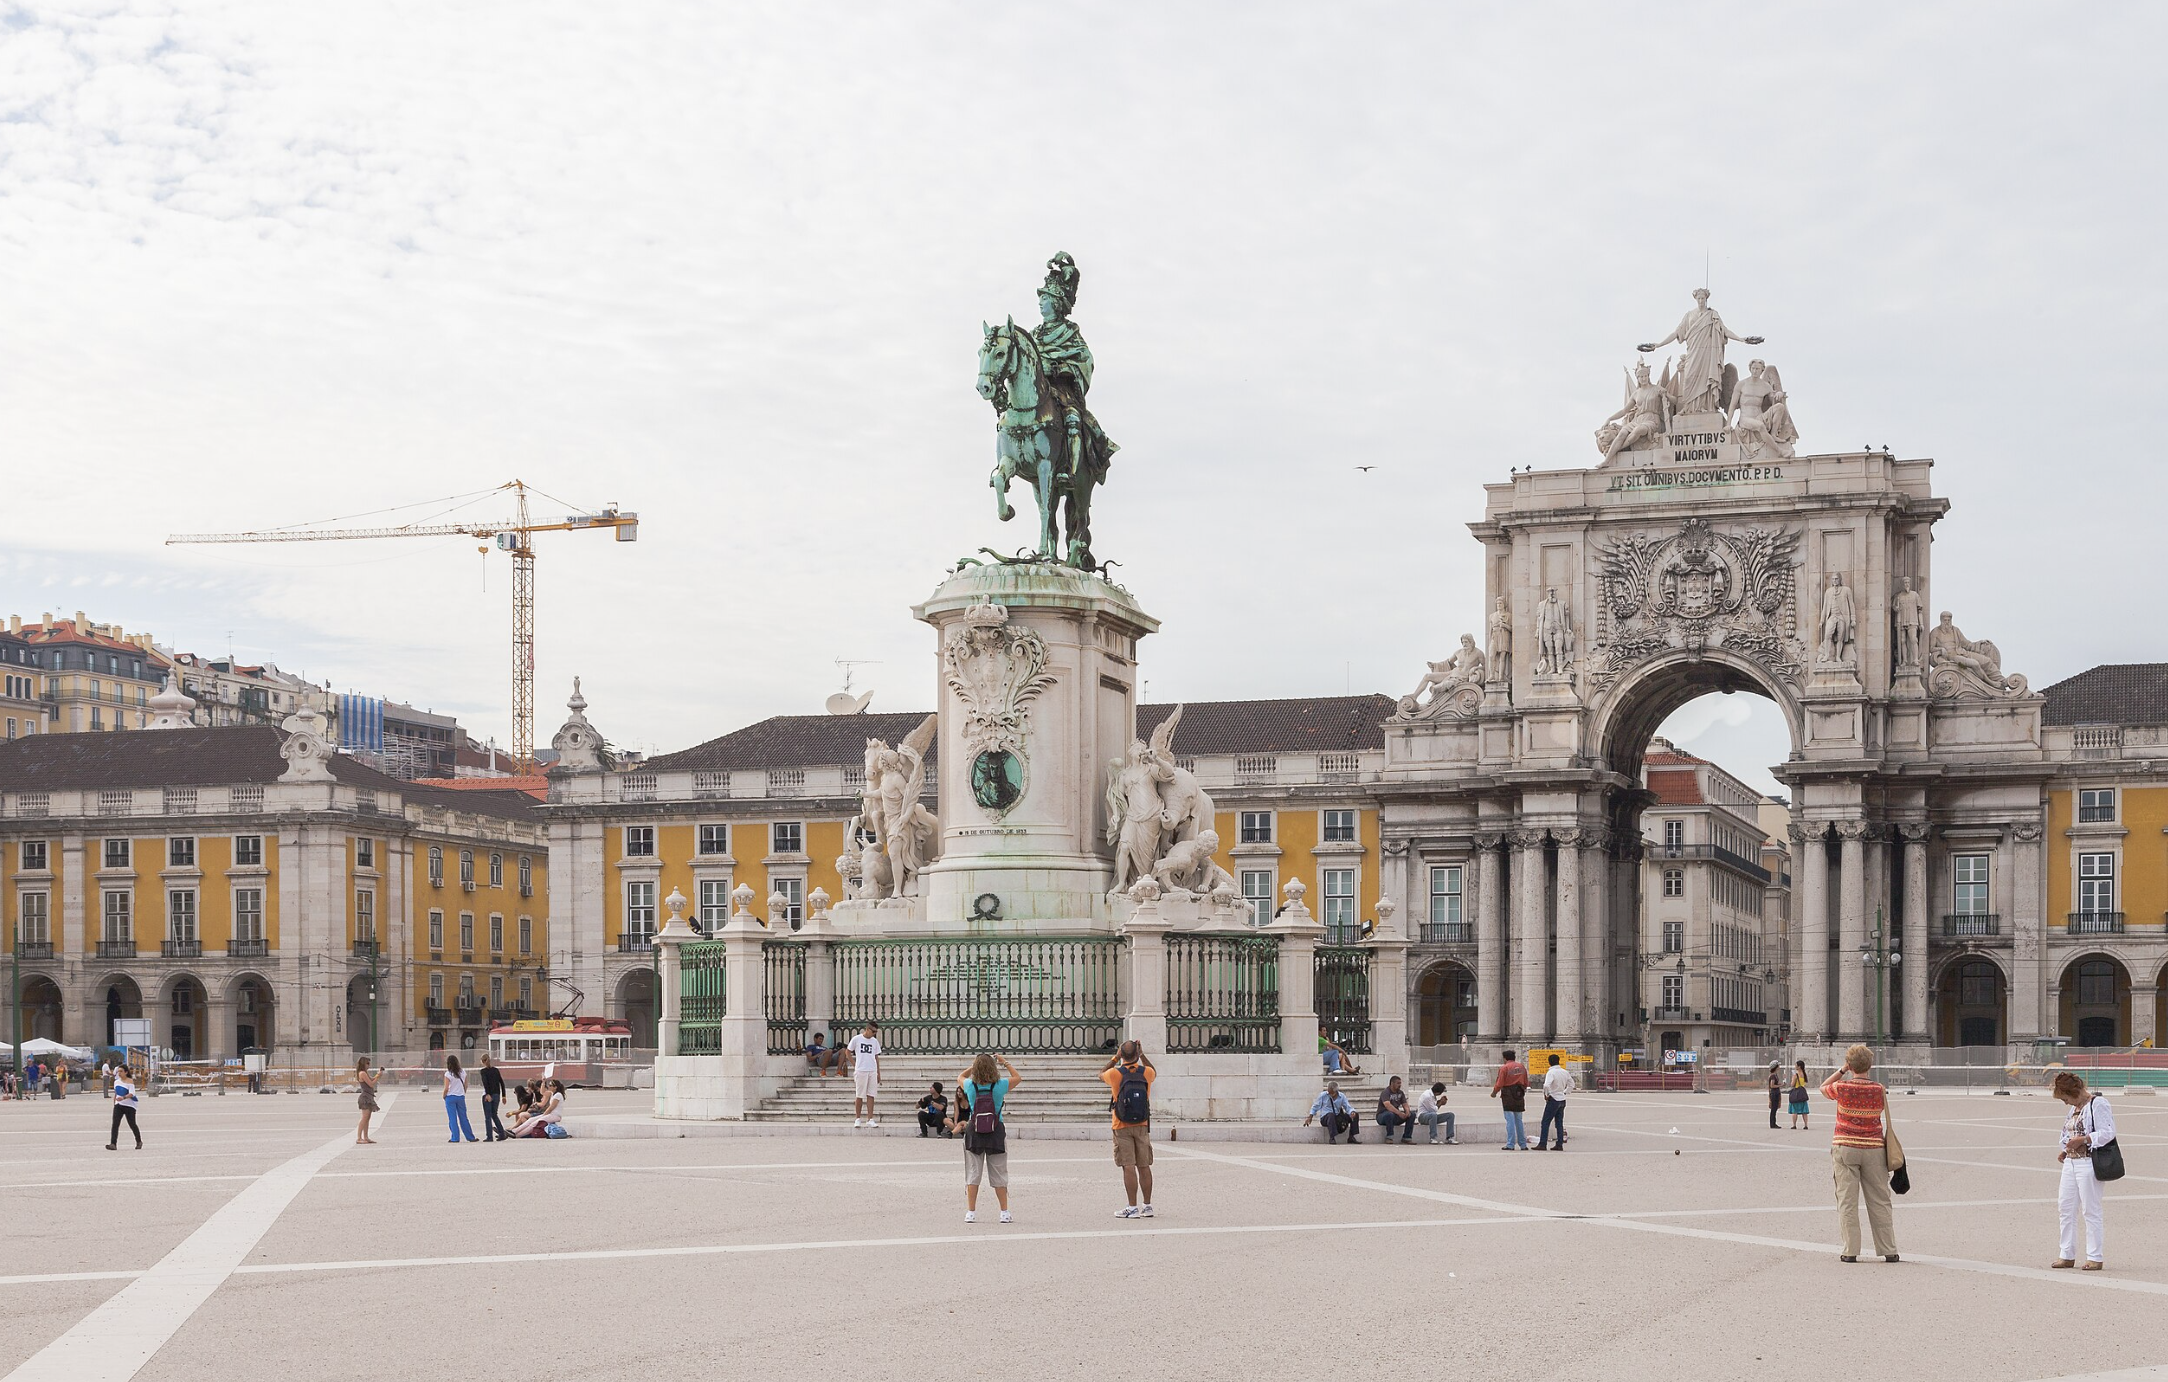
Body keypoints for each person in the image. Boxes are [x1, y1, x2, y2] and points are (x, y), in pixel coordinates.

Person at [1821, 1044, 1898, 1263]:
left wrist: (1843, 1070)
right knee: (1880, 1200)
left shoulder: (1842, 1088)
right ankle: (1889, 1249)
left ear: (1850, 1064)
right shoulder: (1878, 1089)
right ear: (1870, 1065)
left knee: (1847, 1200)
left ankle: (1850, 1250)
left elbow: (1822, 1087)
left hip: (1846, 1146)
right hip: (1874, 1148)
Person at [2051, 1071, 2115, 1271]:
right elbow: (2068, 1132)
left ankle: (2095, 1256)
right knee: (2065, 1208)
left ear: (2074, 1091)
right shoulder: (2075, 1108)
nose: (2065, 1102)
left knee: (2091, 1209)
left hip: (2089, 1162)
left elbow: (2108, 1132)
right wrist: (2065, 1149)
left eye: (2065, 1098)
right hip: (2071, 1162)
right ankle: (2066, 1254)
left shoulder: (2098, 1104)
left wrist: (2084, 1139)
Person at [957, 1053, 1020, 1224]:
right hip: (995, 1130)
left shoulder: (970, 1085)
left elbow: (960, 1077)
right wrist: (1003, 1062)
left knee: (973, 1172)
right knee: (999, 1171)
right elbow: (1017, 1077)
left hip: (974, 1130)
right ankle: (1004, 1212)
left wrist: (973, 1065)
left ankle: (971, 1212)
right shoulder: (1000, 1086)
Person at [1101, 1041, 1157, 1218]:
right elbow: (1154, 1070)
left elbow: (1100, 1073)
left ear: (1122, 1055)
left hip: (1121, 1124)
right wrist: (1142, 1055)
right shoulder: (1146, 1073)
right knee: (1144, 1165)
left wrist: (1115, 1057)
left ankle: (1132, 1207)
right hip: (1141, 1124)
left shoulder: (1115, 1073)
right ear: (1136, 1053)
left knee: (1128, 1166)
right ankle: (1147, 1206)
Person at [1491, 1050, 1530, 1150]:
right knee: (1519, 1120)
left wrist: (1494, 1092)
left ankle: (1510, 1144)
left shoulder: (1504, 1068)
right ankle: (1523, 1144)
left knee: (1510, 1120)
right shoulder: (1521, 1067)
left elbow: (1499, 1083)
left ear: (1505, 1058)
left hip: (1508, 1093)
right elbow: (1526, 1082)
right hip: (1519, 1093)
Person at [849, 1022, 882, 1128]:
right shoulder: (857, 1039)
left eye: (876, 1032)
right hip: (861, 1070)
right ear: (867, 1029)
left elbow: (876, 1057)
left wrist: (878, 1073)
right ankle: (857, 1118)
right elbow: (848, 1052)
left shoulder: (874, 1041)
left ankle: (870, 1118)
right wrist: (855, 1065)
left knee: (871, 1095)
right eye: (873, 1031)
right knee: (859, 1094)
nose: (874, 1033)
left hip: (871, 1069)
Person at [1536, 1054, 1573, 1150]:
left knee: (1545, 1122)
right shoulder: (1565, 1072)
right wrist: (1565, 1092)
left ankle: (1543, 1143)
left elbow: (1546, 1085)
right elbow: (1571, 1084)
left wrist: (1546, 1094)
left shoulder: (1551, 1072)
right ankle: (1559, 1144)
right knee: (1559, 1123)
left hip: (1553, 1098)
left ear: (1549, 1062)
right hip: (1562, 1098)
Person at [443, 1055, 479, 1144]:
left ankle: (455, 1137)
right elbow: (466, 1085)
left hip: (451, 1096)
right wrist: (463, 1092)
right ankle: (470, 1136)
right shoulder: (463, 1072)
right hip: (460, 1096)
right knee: (463, 1117)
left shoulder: (448, 1074)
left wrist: (444, 1096)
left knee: (453, 1118)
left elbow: (446, 1088)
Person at [106, 1064, 142, 1151]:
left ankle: (139, 1141)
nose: (119, 1073)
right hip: (119, 1105)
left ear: (126, 1072)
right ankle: (113, 1143)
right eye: (118, 1071)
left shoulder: (130, 1081)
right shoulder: (116, 1082)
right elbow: (116, 1093)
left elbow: (132, 1093)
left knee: (132, 1124)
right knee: (115, 1124)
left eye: (121, 1071)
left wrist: (123, 1097)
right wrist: (115, 1103)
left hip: (129, 1106)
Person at [1375, 1076, 1415, 1144]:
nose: (1400, 1085)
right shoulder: (1386, 1092)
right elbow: (1388, 1106)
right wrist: (1400, 1113)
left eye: (1400, 1083)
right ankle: (1389, 1137)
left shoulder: (1400, 1093)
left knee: (1412, 1114)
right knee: (1389, 1114)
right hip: (1382, 1116)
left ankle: (1407, 1137)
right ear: (1392, 1083)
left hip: (1395, 1115)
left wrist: (1407, 1112)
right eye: (1398, 1083)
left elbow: (1405, 1104)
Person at [479, 1054, 508, 1142]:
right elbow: (501, 1083)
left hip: (489, 1095)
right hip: (497, 1094)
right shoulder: (496, 1070)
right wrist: (503, 1095)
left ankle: (489, 1136)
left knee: (488, 1116)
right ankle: (502, 1133)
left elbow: (485, 1083)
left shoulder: (483, 1071)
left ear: (483, 1062)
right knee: (494, 1115)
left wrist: (487, 1094)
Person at [355, 1059, 380, 1145]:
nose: (369, 1065)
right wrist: (377, 1077)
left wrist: (378, 1075)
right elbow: (371, 1084)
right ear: (363, 1064)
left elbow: (371, 1079)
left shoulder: (364, 1073)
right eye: (367, 1063)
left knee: (367, 1118)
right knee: (364, 1117)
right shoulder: (362, 1073)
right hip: (365, 1097)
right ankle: (359, 1137)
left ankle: (365, 1137)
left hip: (369, 1096)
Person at [1789, 1060, 1811, 1130]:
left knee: (1794, 1110)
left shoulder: (1796, 1075)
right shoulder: (1804, 1074)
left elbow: (1792, 1084)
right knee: (1804, 1111)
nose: (1795, 1066)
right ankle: (1806, 1125)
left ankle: (1794, 1125)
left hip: (1796, 1094)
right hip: (1802, 1093)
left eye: (1796, 1065)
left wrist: (1792, 1080)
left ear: (1799, 1066)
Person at [1766, 1062, 1783, 1130]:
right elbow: (1772, 1085)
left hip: (1776, 1093)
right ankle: (1772, 1123)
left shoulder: (1775, 1075)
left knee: (1775, 1109)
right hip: (1774, 1093)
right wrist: (1780, 1085)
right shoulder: (1773, 1076)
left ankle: (1773, 1123)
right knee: (1773, 1109)